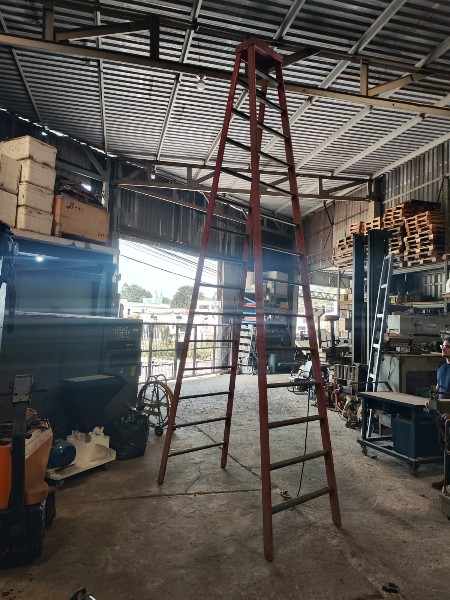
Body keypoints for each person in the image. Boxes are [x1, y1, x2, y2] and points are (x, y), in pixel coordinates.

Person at [430, 336, 450, 489]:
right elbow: (438, 387)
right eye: (443, 346)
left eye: (447, 346)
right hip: (441, 413)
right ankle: (447, 479)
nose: (443, 349)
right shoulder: (441, 366)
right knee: (444, 447)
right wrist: (432, 401)